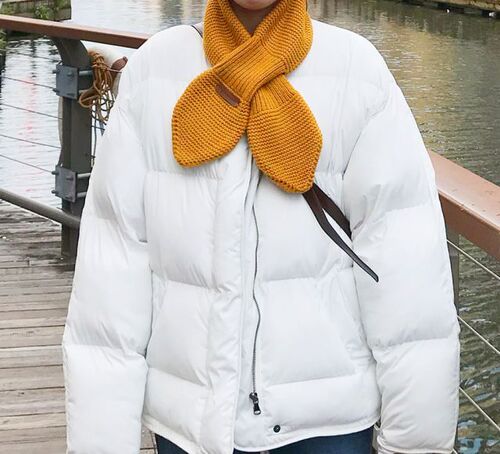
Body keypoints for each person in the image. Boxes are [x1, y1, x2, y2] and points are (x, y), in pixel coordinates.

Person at [61, 1, 461, 453]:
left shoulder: (357, 72)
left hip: (327, 427)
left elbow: (406, 272)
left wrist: (415, 443)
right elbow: (111, 280)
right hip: (190, 426)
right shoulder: (154, 72)